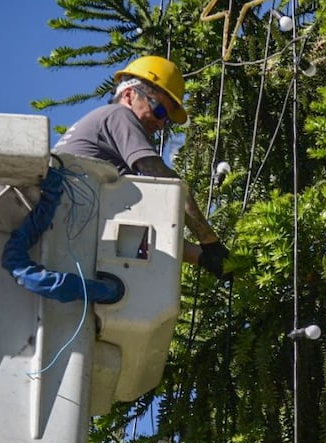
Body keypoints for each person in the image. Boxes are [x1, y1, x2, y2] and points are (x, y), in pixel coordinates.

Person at [53, 55, 230, 281]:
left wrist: (205, 259)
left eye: (166, 120)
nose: (160, 123)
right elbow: (168, 183)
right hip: (69, 224)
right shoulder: (118, 115)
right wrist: (209, 241)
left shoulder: (109, 152)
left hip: (68, 232)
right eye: (159, 112)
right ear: (129, 95)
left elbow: (143, 233)